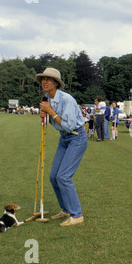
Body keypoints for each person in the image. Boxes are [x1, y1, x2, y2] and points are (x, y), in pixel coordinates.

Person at [37, 67, 87, 227]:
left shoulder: (67, 100)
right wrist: (45, 117)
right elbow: (57, 124)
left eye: (49, 79)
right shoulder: (47, 99)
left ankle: (77, 215)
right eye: (43, 79)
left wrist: (50, 112)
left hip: (76, 137)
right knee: (53, 177)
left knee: (63, 176)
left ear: (56, 83)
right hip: (64, 138)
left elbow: (68, 125)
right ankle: (66, 209)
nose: (45, 82)